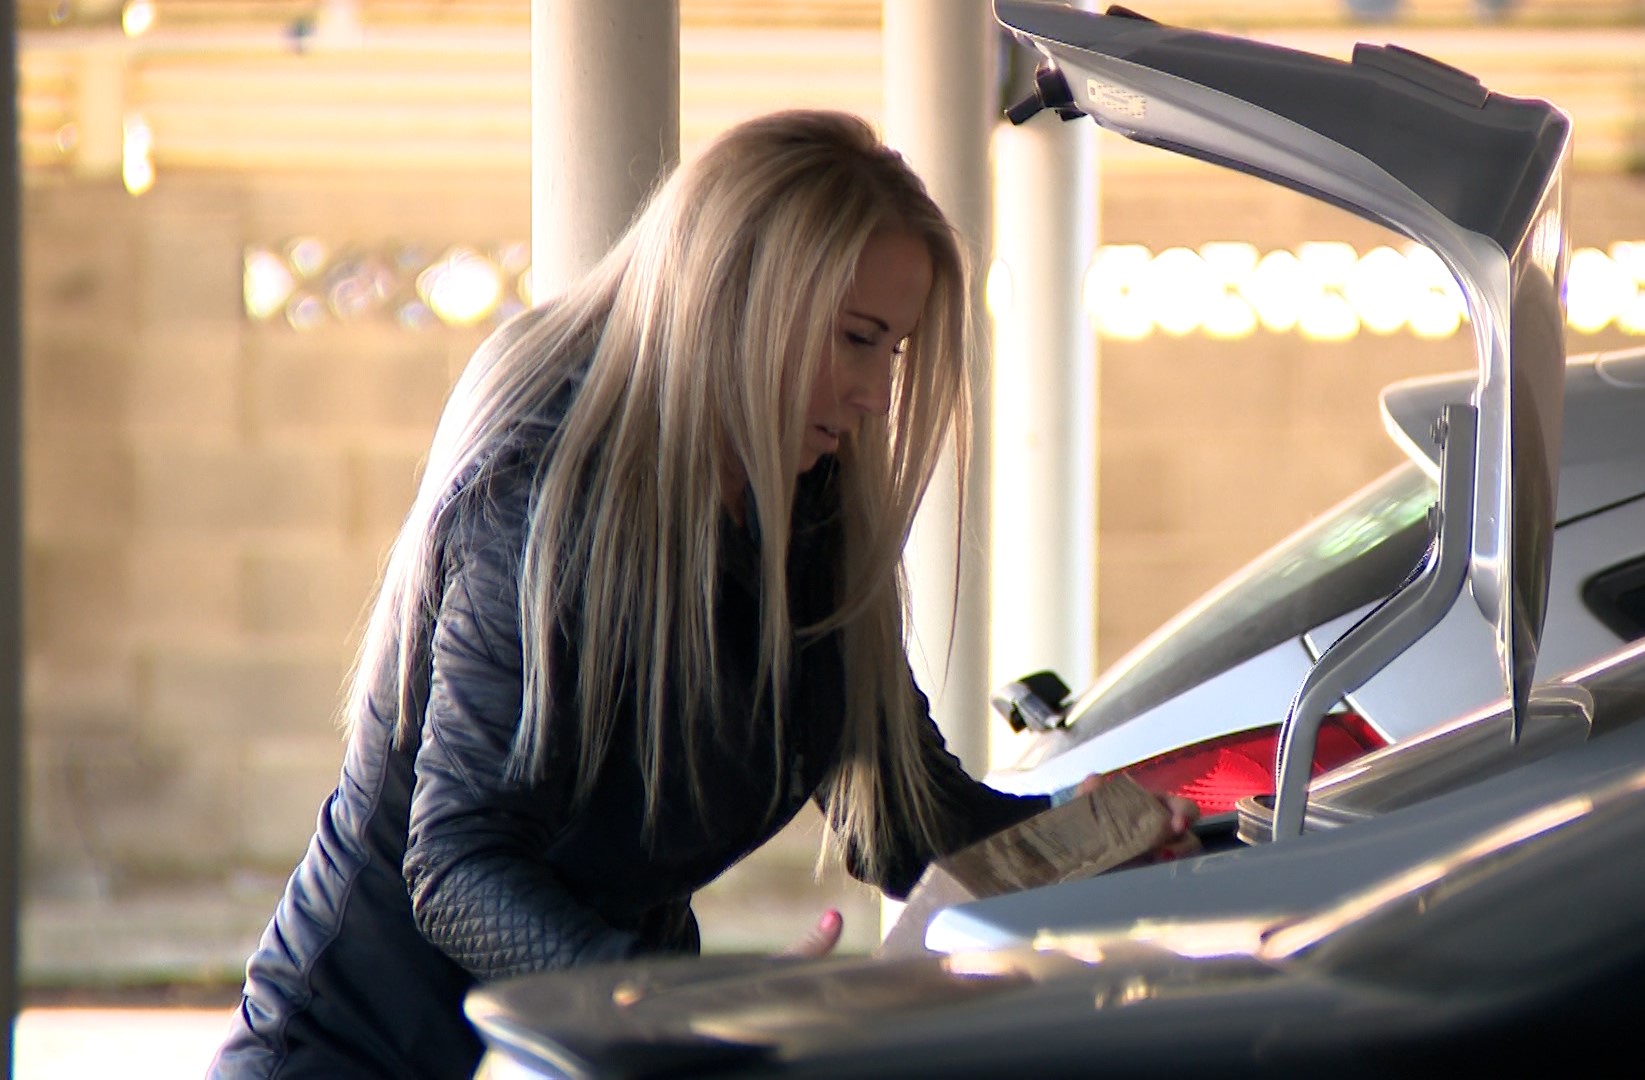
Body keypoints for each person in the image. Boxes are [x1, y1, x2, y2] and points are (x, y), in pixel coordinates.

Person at [207, 109, 1196, 1079]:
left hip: (599, 1045)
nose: (876, 395)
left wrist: (1096, 841)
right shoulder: (542, 498)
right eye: (857, 338)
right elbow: (456, 870)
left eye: (892, 350)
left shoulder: (804, 522)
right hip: (351, 1047)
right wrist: (671, 1005)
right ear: (740, 297)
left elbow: (901, 820)